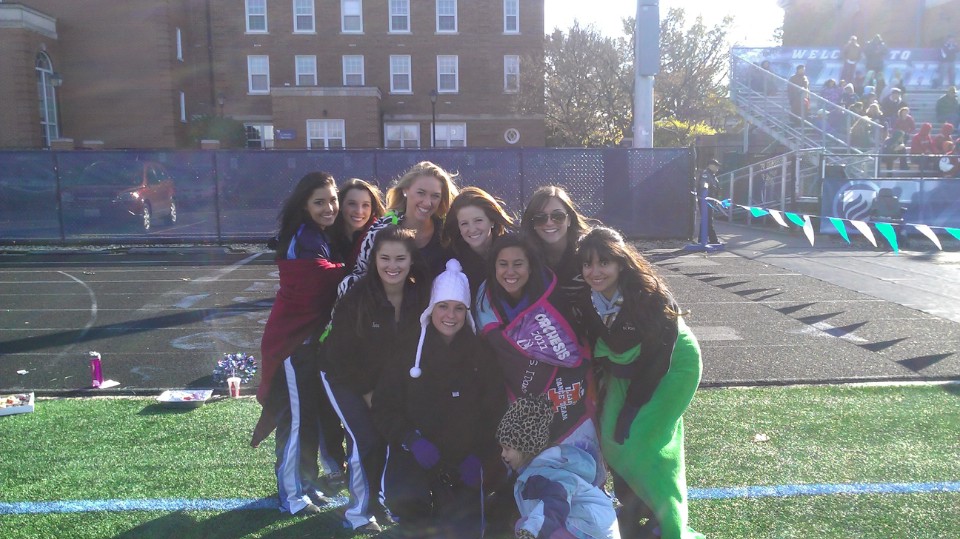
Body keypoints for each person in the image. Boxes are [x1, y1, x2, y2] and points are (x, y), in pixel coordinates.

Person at [577, 227, 705, 539]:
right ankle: (635, 507)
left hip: (673, 367)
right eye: (587, 264)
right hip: (629, 365)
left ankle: (666, 519)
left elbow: (657, 361)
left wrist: (632, 407)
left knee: (643, 443)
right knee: (612, 442)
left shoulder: (649, 296)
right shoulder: (589, 298)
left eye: (604, 262)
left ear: (621, 263)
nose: (595, 271)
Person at [372, 258, 505, 539]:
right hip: (418, 457)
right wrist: (411, 440)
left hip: (465, 462)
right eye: (443, 306)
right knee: (410, 509)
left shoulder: (481, 355)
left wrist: (481, 456)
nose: (450, 315)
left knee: (464, 530)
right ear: (431, 308)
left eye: (459, 308)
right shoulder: (407, 351)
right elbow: (384, 407)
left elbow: (495, 413)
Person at [320, 226, 431, 533]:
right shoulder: (358, 297)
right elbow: (340, 355)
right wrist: (368, 393)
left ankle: (381, 502)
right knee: (365, 438)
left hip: (383, 384)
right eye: (385, 258)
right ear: (374, 260)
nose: (392, 266)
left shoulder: (419, 296)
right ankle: (359, 513)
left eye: (400, 258)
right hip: (341, 376)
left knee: (389, 437)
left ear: (411, 261)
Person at [252, 171, 347, 516]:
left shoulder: (317, 233)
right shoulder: (304, 235)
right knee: (295, 421)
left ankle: (305, 485)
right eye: (319, 202)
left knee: (308, 419)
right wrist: (354, 268)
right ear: (305, 205)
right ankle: (291, 495)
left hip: (308, 344)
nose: (329, 207)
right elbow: (314, 282)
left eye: (333, 200)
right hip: (293, 344)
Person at [473, 234, 602, 483]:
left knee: (579, 473)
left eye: (518, 264)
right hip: (516, 398)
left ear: (531, 266)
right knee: (532, 480)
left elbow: (575, 347)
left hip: (566, 398)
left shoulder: (552, 294)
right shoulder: (483, 302)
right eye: (503, 264)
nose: (510, 271)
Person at [497, 395, 621, 539]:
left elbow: (555, 500)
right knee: (524, 524)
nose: (503, 454)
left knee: (533, 528)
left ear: (524, 448)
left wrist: (531, 531)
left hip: (590, 529)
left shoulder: (545, 473)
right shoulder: (538, 469)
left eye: (507, 449)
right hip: (590, 525)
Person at [337, 161, 458, 300]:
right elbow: (359, 276)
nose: (427, 202)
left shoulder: (448, 231)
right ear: (405, 190)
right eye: (421, 193)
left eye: (435, 196)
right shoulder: (381, 230)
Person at [520, 185, 591, 301]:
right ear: (532, 223)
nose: (549, 223)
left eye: (558, 216)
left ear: (569, 219)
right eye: (540, 217)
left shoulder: (589, 252)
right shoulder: (523, 257)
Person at [441, 186, 515, 298]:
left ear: (492, 221)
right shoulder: (451, 261)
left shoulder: (512, 250)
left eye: (478, 220)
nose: (472, 229)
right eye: (464, 223)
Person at [329, 178, 385, 271]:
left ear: (372, 209)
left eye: (365, 205)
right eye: (352, 204)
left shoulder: (382, 237)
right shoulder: (326, 234)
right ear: (340, 205)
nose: (359, 211)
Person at [697, 159, 721, 245]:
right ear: (711, 165)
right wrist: (705, 188)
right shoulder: (706, 174)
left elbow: (716, 190)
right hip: (705, 200)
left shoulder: (713, 176)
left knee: (706, 219)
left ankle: (701, 239)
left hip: (711, 201)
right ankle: (713, 239)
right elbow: (703, 184)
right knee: (708, 220)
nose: (718, 168)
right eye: (716, 166)